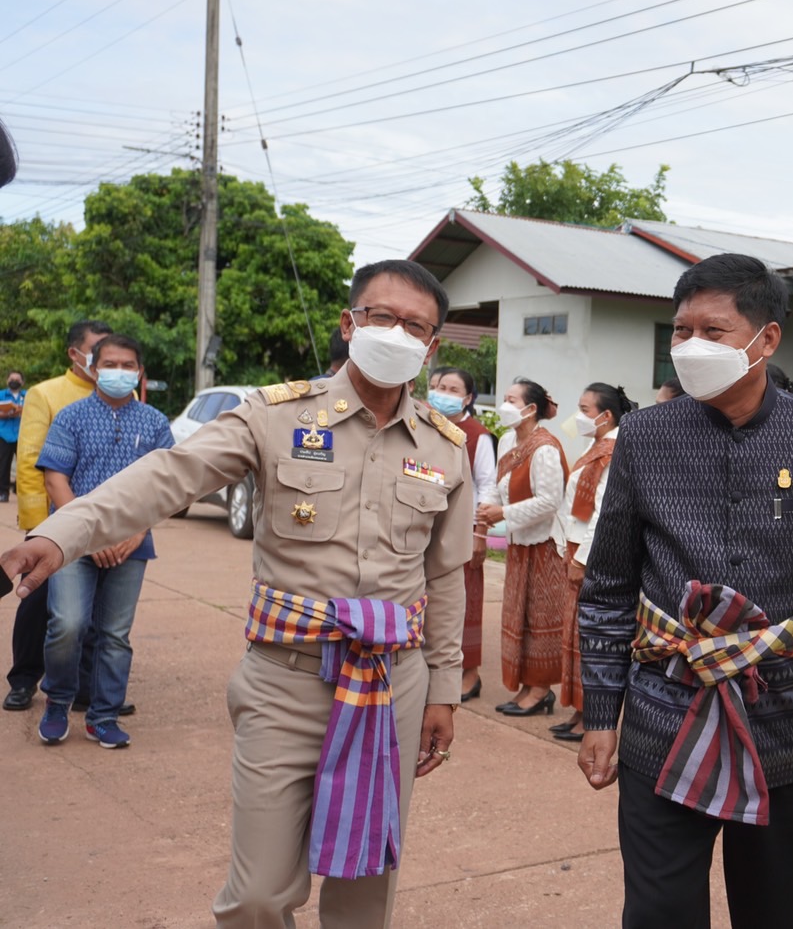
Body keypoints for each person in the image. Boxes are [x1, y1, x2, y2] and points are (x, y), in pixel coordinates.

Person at [1, 259, 472, 928]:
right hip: (287, 681)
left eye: (415, 326)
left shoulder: (445, 449)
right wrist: (59, 537)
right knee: (258, 896)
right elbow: (165, 477)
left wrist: (445, 692)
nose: (396, 333)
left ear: (431, 348)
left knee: (367, 889)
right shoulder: (275, 417)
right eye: (381, 317)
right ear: (349, 324)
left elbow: (445, 575)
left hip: (391, 685)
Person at [576, 253, 793, 929]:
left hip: (785, 721)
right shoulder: (643, 436)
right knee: (659, 913)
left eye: (713, 331)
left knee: (776, 915)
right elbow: (607, 586)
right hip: (664, 718)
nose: (691, 347)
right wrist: (602, 713)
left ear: (767, 338)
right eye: (680, 331)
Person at [34, 334, 173, 749]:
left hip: (132, 544)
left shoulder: (154, 422)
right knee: (68, 623)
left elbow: (168, 485)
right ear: (93, 370)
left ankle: (104, 716)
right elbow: (55, 476)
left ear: (139, 372)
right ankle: (58, 703)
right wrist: (84, 535)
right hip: (72, 543)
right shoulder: (70, 417)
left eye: (128, 365)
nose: (119, 372)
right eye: (110, 364)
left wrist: (138, 532)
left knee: (114, 633)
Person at [4, 319, 114, 713]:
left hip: (106, 520)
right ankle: (23, 679)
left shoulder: (119, 397)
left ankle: (86, 686)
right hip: (54, 519)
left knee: (94, 607)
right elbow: (32, 458)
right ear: (75, 353)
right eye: (99, 347)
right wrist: (40, 527)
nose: (108, 358)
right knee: (38, 600)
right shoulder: (46, 393)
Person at [551, 382, 635, 742]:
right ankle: (579, 709)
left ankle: (593, 716)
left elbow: (603, 513)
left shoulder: (613, 451)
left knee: (590, 632)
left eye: (585, 410)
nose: (579, 416)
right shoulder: (594, 446)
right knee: (573, 632)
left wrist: (583, 558)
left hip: (593, 553)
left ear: (606, 415)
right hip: (574, 545)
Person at [482, 378, 567, 717]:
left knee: (542, 617)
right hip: (520, 543)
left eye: (512, 400)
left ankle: (541, 689)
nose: (505, 405)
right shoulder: (507, 440)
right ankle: (528, 685)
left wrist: (502, 513)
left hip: (544, 546)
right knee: (520, 615)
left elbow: (550, 501)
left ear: (531, 409)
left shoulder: (544, 448)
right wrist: (485, 510)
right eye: (503, 398)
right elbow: (495, 485)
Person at [427, 366, 498, 702]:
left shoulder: (476, 434)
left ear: (468, 398)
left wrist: (480, 533)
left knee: (465, 601)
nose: (442, 393)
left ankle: (470, 673)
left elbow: (487, 486)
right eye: (438, 386)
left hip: (463, 529)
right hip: (425, 526)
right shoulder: (425, 426)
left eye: (452, 389)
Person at [1, 370, 23, 502]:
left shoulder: (27, 395)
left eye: (17, 379)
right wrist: (9, 414)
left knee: (23, 465)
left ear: (22, 382)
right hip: (4, 434)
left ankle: (18, 488)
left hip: (21, 435)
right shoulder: (1, 395)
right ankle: (3, 492)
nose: (14, 381)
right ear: (7, 381)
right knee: (3, 465)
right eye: (12, 379)